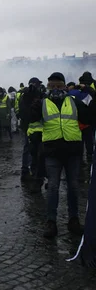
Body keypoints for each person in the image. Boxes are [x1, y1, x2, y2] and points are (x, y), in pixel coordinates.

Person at [30, 72, 93, 238]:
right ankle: (51, 222)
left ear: (65, 86)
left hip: (73, 151)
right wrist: (30, 102)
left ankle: (73, 221)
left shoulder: (74, 102)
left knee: (73, 186)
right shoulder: (42, 103)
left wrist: (91, 92)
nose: (56, 89)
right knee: (53, 187)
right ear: (48, 87)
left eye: (59, 86)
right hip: (52, 151)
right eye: (52, 86)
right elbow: (29, 118)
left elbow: (90, 116)